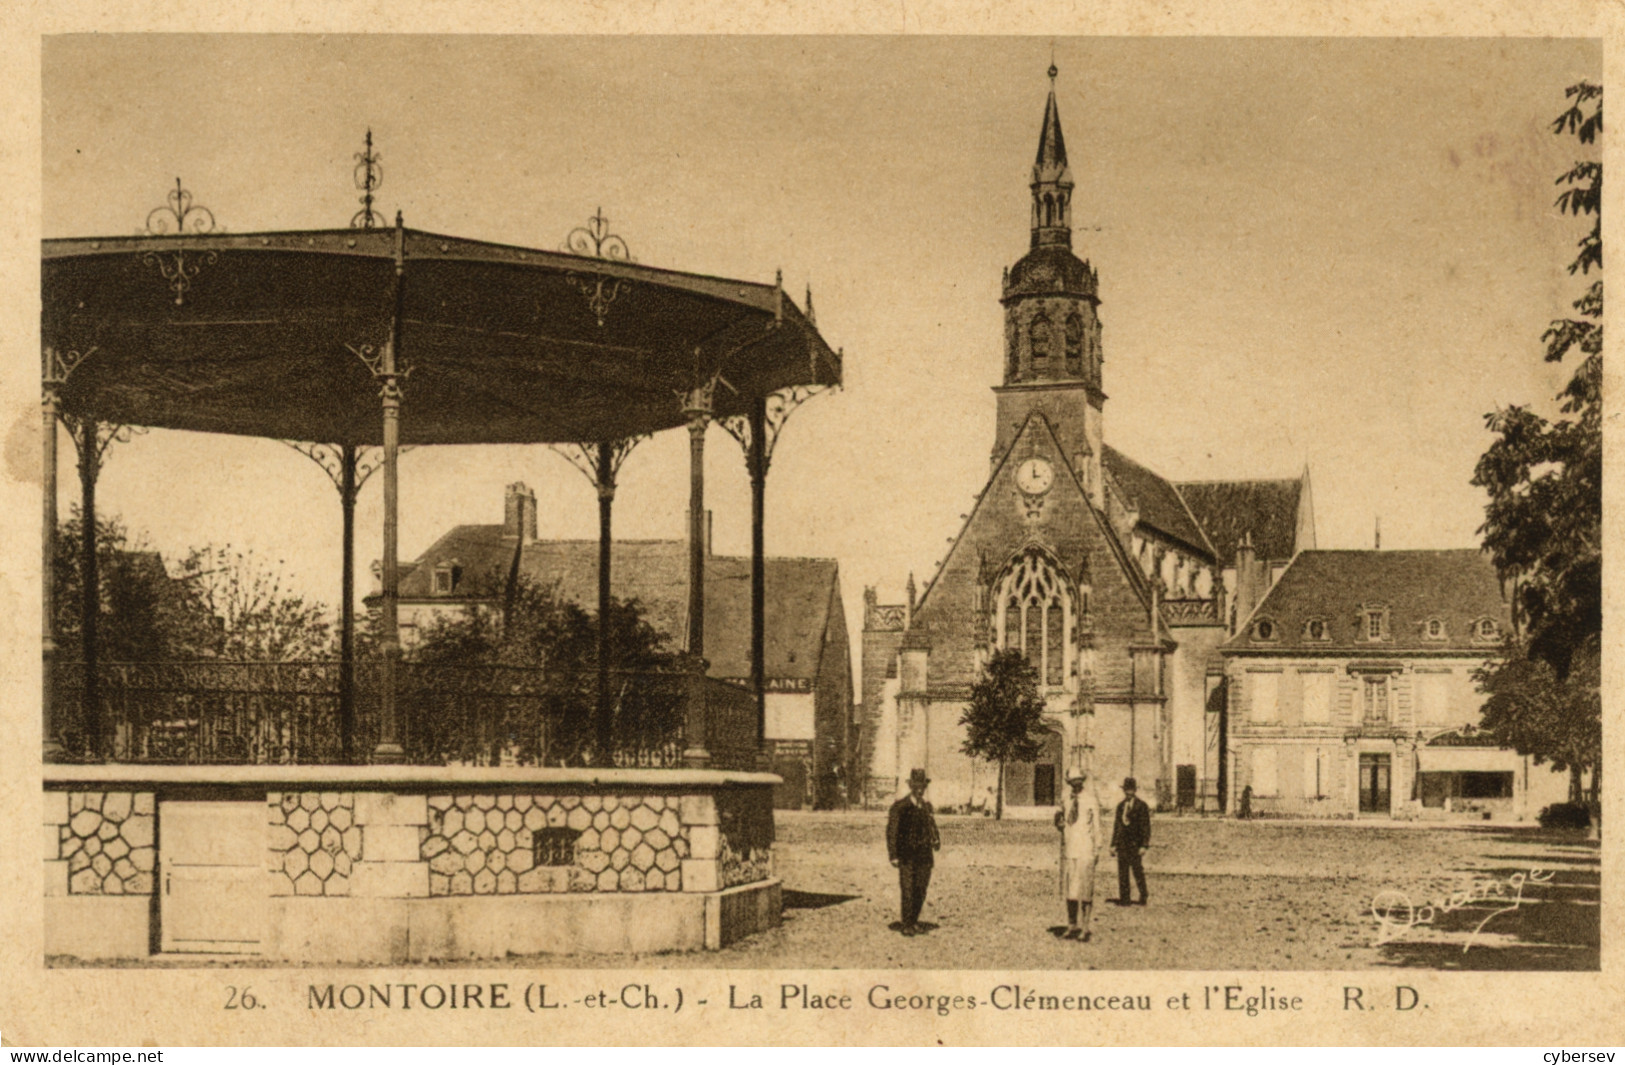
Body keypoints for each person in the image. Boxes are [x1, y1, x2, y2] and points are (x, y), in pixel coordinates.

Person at [886, 768, 941, 935]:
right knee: (908, 889)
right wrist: (893, 855)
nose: (920, 789)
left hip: (924, 855)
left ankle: (914, 920)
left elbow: (932, 825)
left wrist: (936, 840)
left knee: (920, 889)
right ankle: (907, 924)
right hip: (907, 855)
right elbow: (892, 831)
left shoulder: (926, 806)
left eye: (922, 786)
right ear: (911, 786)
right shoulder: (900, 807)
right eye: (917, 785)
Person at [1054, 768, 1102, 940]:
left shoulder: (1090, 799)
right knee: (1071, 890)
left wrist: (1097, 848)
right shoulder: (1065, 799)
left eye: (1078, 781)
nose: (1075, 784)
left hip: (1086, 849)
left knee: (1086, 889)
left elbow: (1096, 825)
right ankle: (1071, 925)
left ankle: (1085, 927)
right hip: (1070, 848)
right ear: (1069, 783)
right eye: (1072, 782)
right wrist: (1059, 824)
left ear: (1082, 782)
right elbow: (1062, 820)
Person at [1110, 776, 1151, 905]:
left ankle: (1143, 894)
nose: (1128, 792)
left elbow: (1145, 827)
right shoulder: (1121, 806)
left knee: (1137, 870)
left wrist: (1144, 845)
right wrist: (1113, 844)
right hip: (1122, 844)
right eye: (1126, 790)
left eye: (1131, 790)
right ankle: (1125, 898)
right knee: (1122, 871)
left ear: (1135, 791)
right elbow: (1117, 826)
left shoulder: (1141, 806)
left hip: (1135, 844)